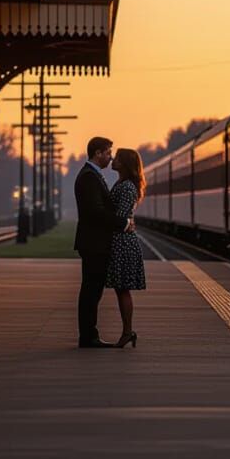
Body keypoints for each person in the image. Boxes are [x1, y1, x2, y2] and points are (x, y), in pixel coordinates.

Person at [73, 136, 132, 348]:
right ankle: (88, 336)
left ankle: (89, 334)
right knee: (91, 291)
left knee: (92, 290)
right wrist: (123, 223)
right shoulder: (90, 177)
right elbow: (96, 212)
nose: (110, 157)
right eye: (107, 153)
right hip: (94, 243)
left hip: (93, 242)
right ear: (97, 153)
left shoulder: (91, 175)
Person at [105, 148, 147, 348]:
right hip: (122, 240)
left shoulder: (127, 186)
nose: (114, 159)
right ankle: (127, 331)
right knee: (121, 289)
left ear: (125, 163)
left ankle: (128, 331)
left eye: (118, 158)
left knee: (123, 289)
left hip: (123, 242)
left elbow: (120, 216)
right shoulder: (124, 184)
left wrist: (116, 221)